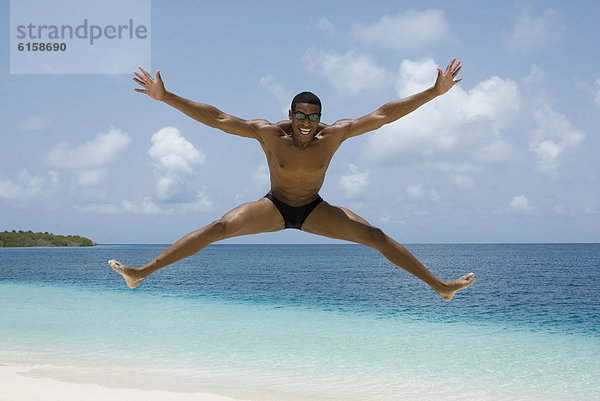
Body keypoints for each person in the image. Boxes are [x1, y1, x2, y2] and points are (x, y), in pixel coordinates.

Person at [109, 58, 475, 301]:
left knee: (376, 237)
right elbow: (218, 118)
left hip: (314, 209)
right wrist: (167, 96)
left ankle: (440, 287)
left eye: (312, 116)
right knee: (219, 227)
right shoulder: (268, 134)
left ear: (320, 118)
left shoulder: (335, 134)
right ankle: (142, 272)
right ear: (290, 113)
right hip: (275, 206)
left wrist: (433, 92)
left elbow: (383, 115)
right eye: (300, 114)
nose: (305, 121)